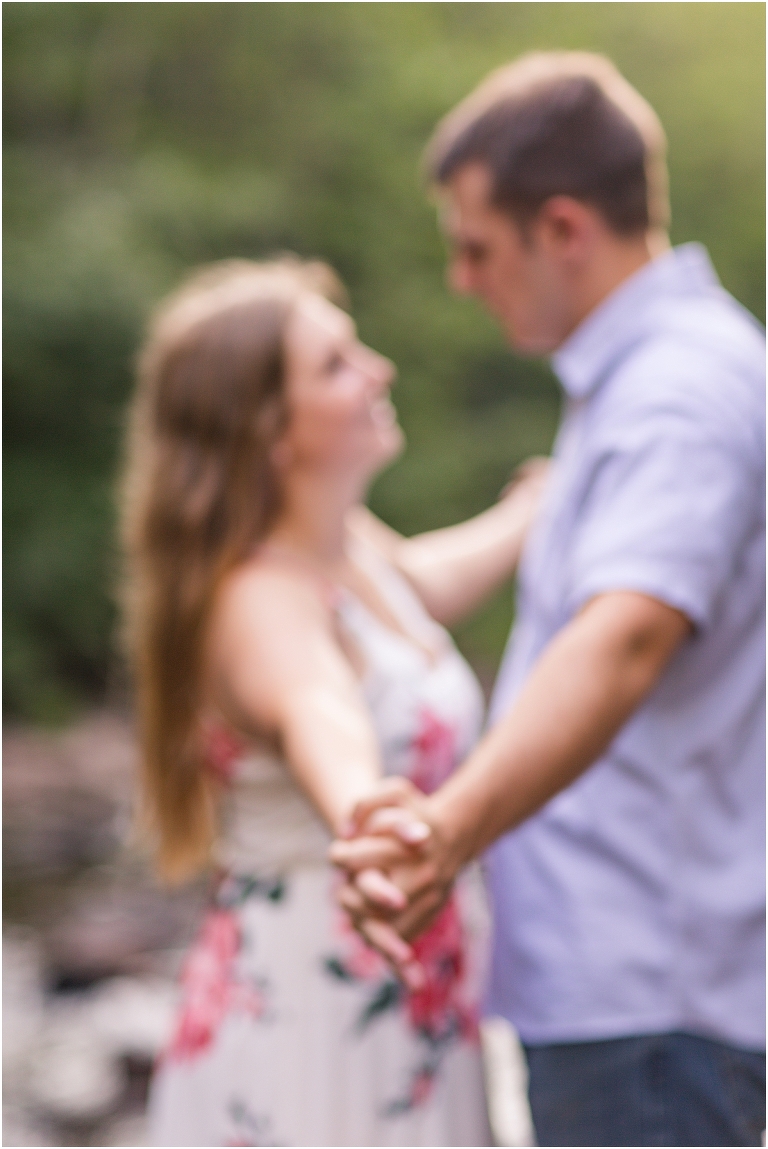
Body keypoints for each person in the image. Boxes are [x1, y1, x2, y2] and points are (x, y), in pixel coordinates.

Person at [331, 51, 766, 1147]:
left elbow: (622, 640)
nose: (461, 280)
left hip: (655, 1005)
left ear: (563, 228)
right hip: (629, 998)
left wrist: (445, 833)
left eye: (477, 248)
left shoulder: (677, 389)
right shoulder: (641, 380)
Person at [119, 256, 548, 1147]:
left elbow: (426, 579)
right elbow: (322, 709)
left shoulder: (346, 547)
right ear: (269, 431)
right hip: (314, 1027)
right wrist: (370, 816)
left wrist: (534, 506)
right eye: (337, 364)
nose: (378, 371)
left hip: (398, 1005)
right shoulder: (255, 605)